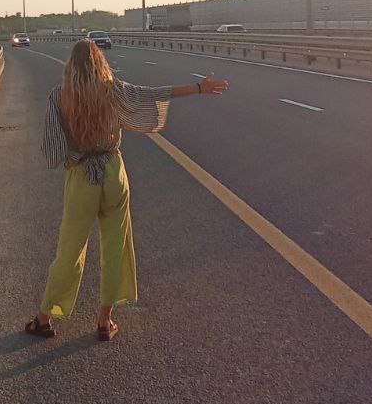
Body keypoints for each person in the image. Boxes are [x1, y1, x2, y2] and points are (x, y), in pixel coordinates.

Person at [25, 39, 229, 342]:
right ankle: (105, 320)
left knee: (70, 249)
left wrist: (74, 156)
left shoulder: (59, 95)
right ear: (100, 63)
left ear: (71, 66)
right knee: (116, 246)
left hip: (82, 177)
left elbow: (54, 150)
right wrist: (199, 88)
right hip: (113, 172)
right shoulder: (113, 90)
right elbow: (153, 94)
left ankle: (44, 318)